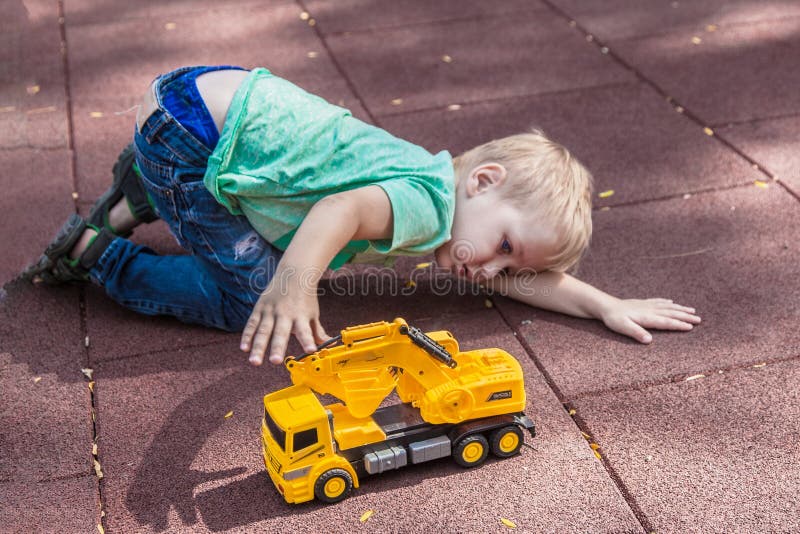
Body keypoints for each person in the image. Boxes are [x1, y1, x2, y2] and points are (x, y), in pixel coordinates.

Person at [23, 66, 700, 366]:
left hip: (203, 96)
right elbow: (339, 207)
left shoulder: (445, 187)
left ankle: (148, 190)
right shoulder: (432, 205)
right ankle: (99, 253)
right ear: (483, 182)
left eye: (504, 264)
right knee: (253, 295)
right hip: (192, 135)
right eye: (500, 246)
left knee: (282, 244)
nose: (488, 271)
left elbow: (519, 276)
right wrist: (290, 286)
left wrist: (603, 304)